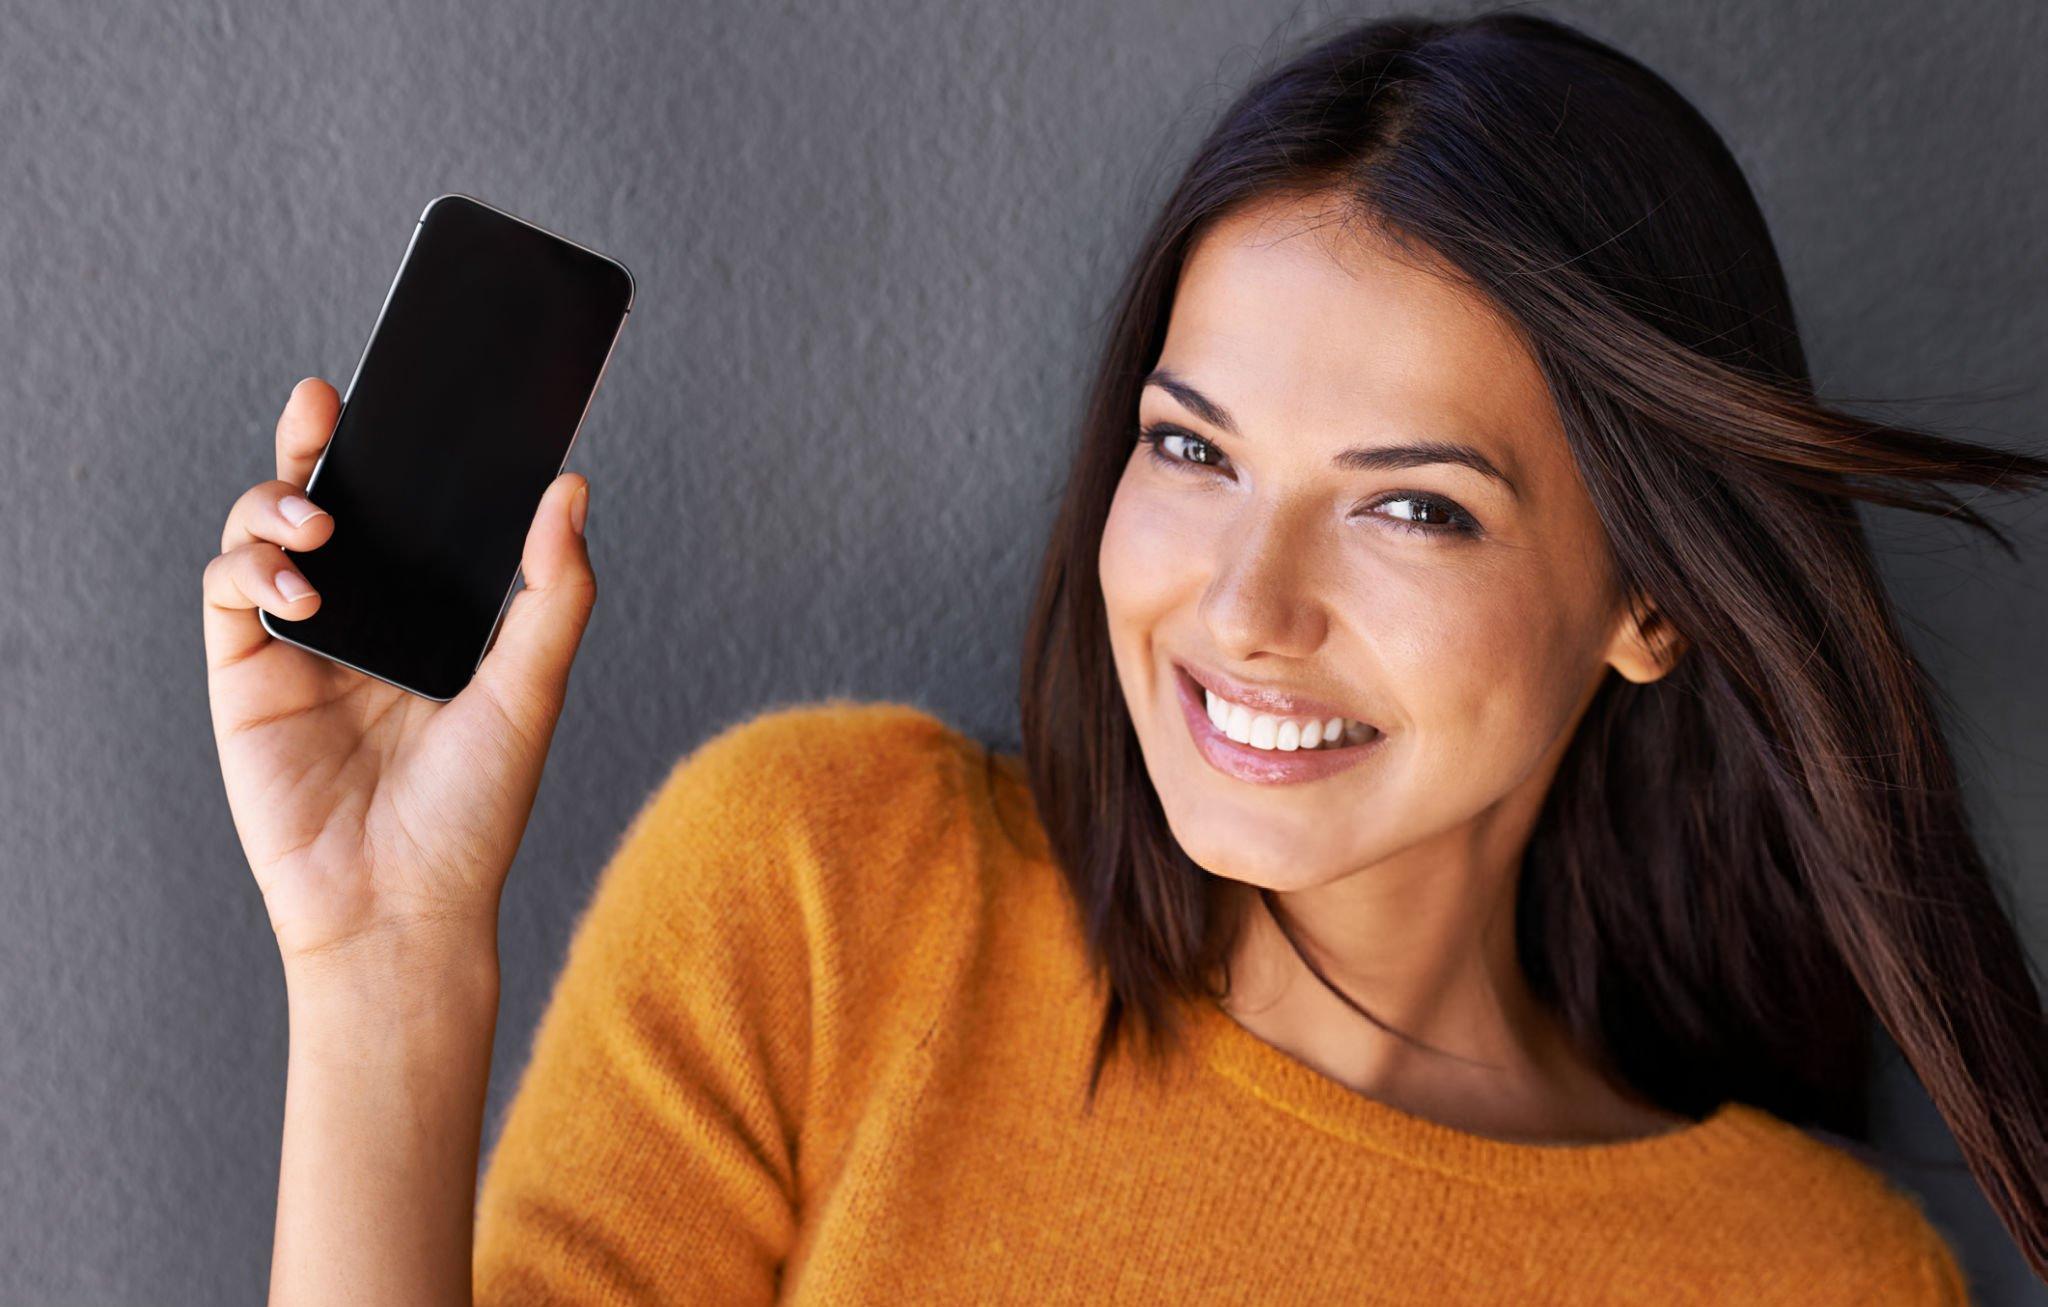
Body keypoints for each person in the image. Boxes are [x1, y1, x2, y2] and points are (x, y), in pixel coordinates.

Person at [203, 10, 2048, 1304]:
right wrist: (382, 964)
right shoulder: (835, 897)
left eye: (1413, 506)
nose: (1247, 606)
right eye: (1193, 450)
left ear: (1654, 601)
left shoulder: (1807, 1280)